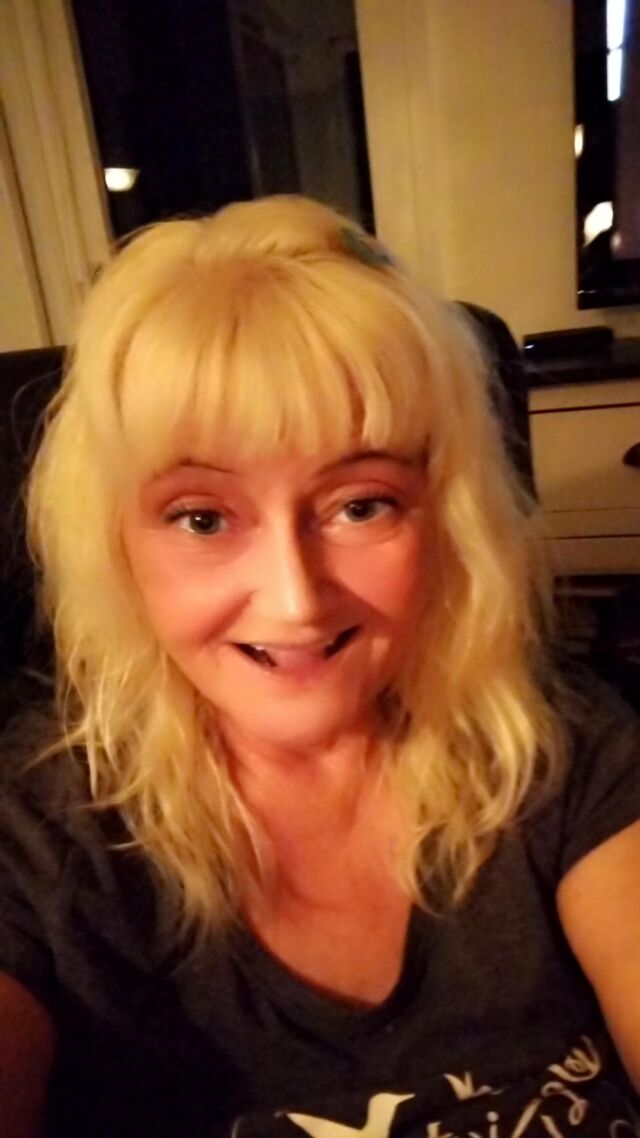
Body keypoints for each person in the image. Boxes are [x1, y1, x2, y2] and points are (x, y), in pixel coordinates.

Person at [0, 195, 638, 1138]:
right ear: (116, 546)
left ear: (445, 519)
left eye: (360, 504)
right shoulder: (41, 832)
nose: (296, 599)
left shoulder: (565, 752)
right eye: (203, 518)